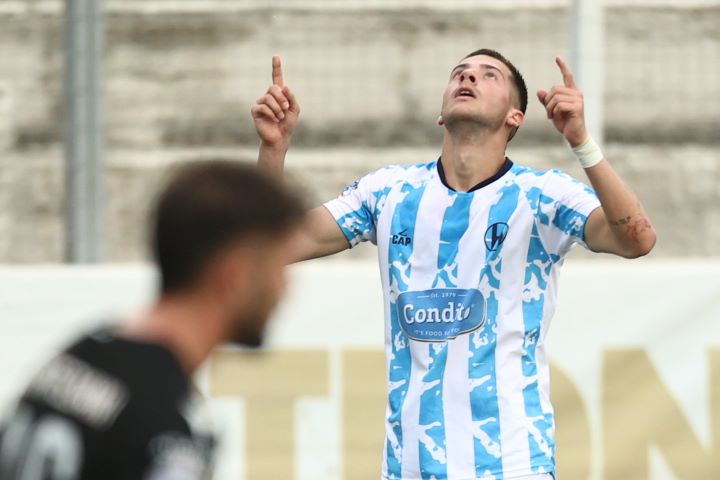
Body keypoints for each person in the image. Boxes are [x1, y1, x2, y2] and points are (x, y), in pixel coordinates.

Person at [251, 50, 656, 479]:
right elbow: (266, 248)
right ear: (441, 114)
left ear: (515, 116)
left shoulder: (544, 196)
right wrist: (273, 150)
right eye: (459, 73)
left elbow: (638, 239)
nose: (468, 78)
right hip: (409, 468)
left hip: (514, 466)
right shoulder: (388, 192)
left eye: (489, 75)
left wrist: (582, 142)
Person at [0, 161, 304, 480]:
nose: (285, 287)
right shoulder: (167, 431)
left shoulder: (83, 353)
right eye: (278, 268)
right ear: (235, 276)